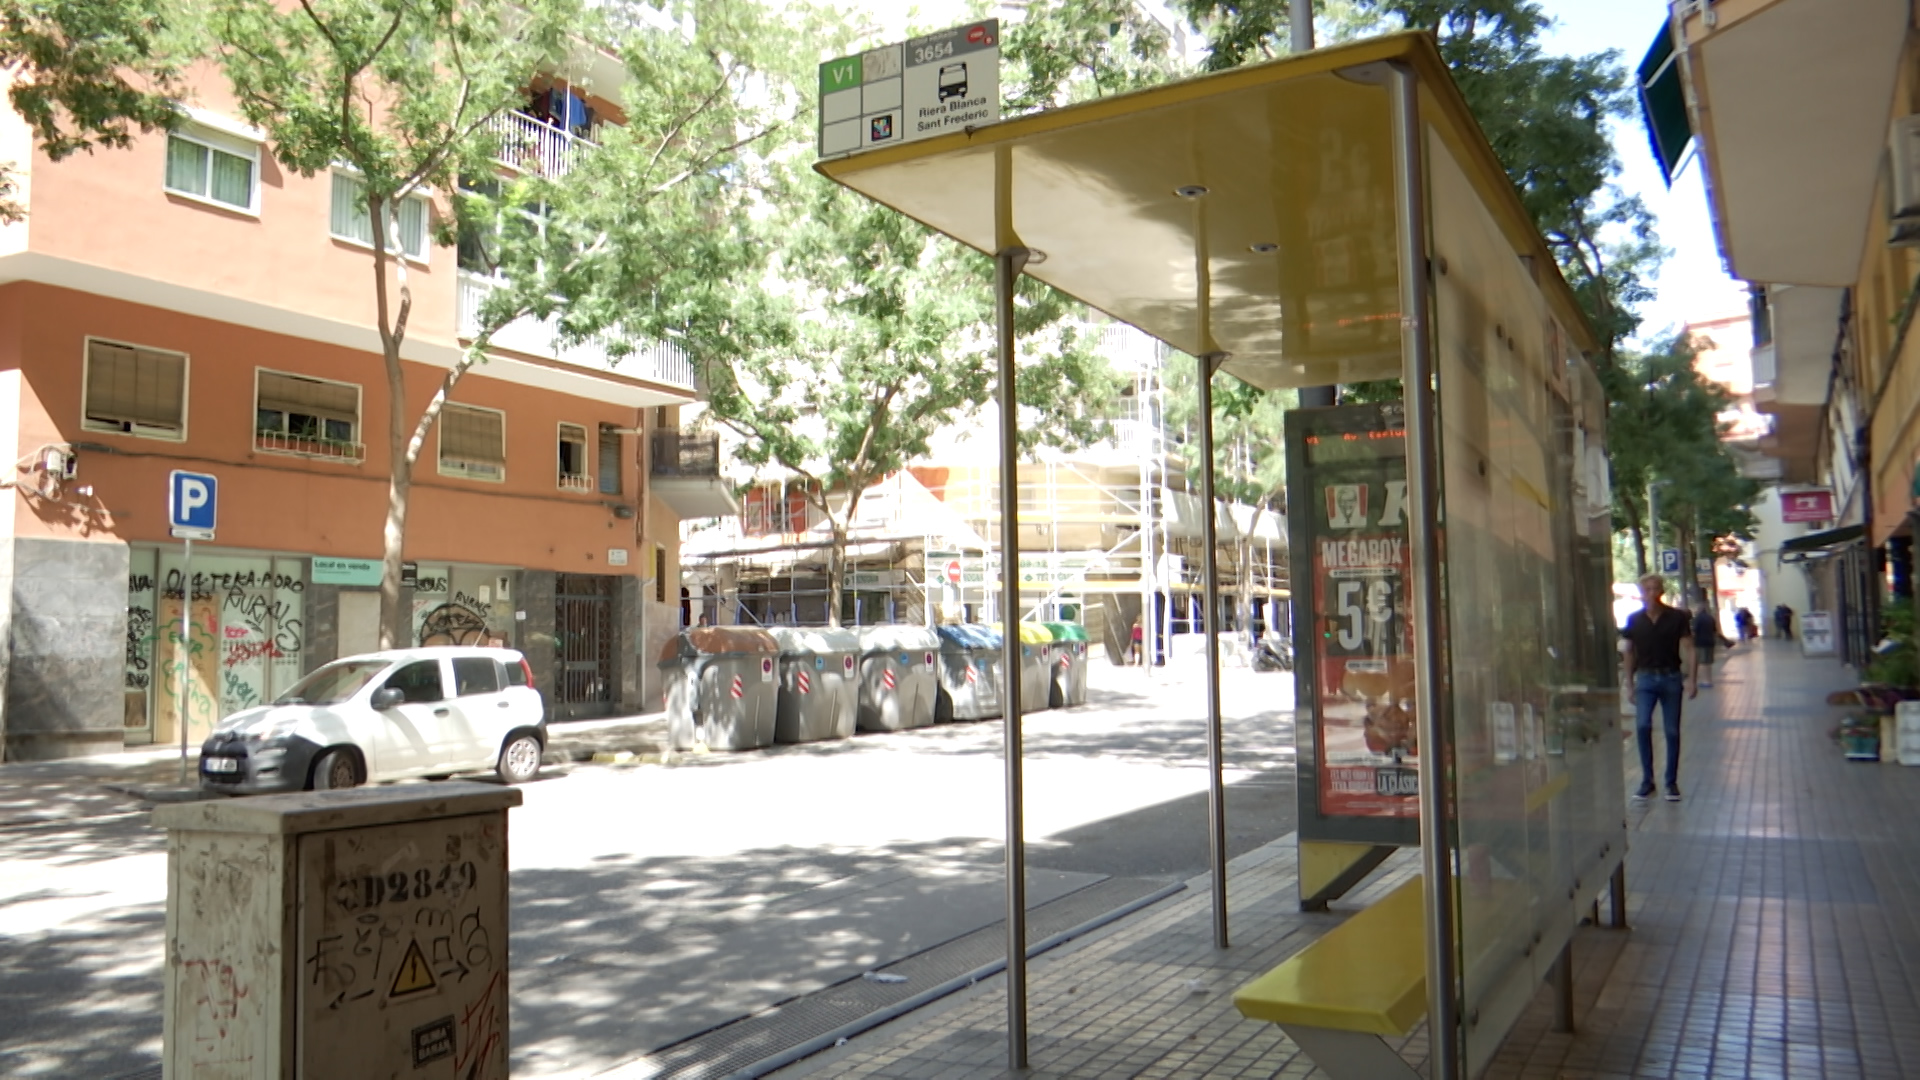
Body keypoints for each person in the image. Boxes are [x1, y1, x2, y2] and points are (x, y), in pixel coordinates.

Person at [1622, 574, 1697, 802]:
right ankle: (1647, 780)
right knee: (1643, 725)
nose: (1651, 594)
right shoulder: (1634, 620)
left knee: (1672, 731)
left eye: (1655, 589)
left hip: (1671, 677)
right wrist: (1629, 684)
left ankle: (1671, 782)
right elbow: (1628, 652)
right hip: (1645, 678)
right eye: (1647, 590)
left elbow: (1689, 648)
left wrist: (1692, 679)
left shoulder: (1676, 617)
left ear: (1662, 591)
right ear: (1641, 593)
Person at [1690, 597, 1718, 690]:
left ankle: (1705, 681)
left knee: (1702, 662)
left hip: (1700, 642)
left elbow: (1694, 631)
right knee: (1708, 662)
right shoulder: (1710, 618)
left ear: (1699, 609)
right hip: (1710, 642)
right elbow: (1714, 631)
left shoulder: (1697, 619)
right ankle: (1709, 680)